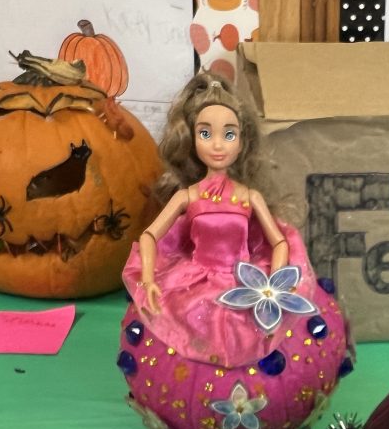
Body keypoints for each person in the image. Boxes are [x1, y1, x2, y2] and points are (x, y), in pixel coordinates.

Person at [122, 70, 319, 367]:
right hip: (194, 281)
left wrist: (273, 283)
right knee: (188, 319)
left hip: (246, 279)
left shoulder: (249, 196)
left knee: (251, 325)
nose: (217, 145)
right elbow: (149, 236)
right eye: (205, 134)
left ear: (241, 143)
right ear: (192, 140)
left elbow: (279, 242)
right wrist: (148, 279)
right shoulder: (188, 196)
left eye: (229, 135)